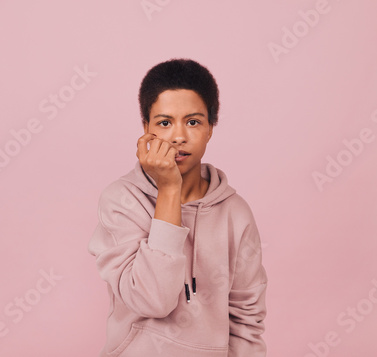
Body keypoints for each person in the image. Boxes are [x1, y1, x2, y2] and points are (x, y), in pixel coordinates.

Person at [88, 58, 268, 356]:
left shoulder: (235, 213)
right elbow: (153, 300)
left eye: (194, 122)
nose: (179, 136)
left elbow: (246, 320)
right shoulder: (121, 200)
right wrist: (169, 189)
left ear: (211, 127)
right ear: (146, 128)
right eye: (164, 123)